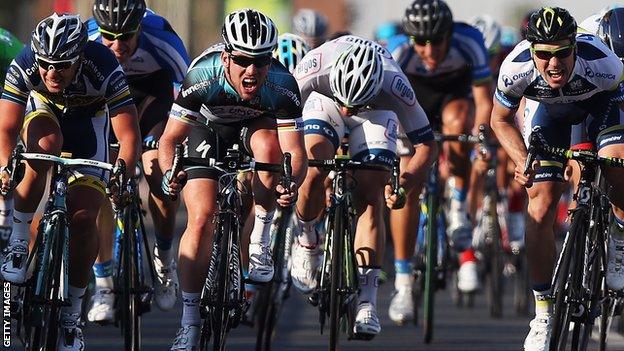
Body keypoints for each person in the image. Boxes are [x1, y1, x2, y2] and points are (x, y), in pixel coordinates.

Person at [157, 9, 307, 349]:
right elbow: (169, 140)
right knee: (201, 219)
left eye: (261, 61)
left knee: (270, 148)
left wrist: (290, 183)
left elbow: (295, 152)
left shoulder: (282, 85)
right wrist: (170, 172)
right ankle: (190, 322)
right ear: (226, 57)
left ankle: (260, 241)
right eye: (241, 60)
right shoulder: (202, 76)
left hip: (256, 128)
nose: (252, 70)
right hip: (208, 128)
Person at [0, 13, 140, 350]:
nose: (51, 73)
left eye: (62, 65)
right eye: (46, 64)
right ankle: (19, 240)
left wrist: (122, 170)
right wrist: (4, 167)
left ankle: (71, 315)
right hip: (44, 113)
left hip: (89, 124)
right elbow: (5, 128)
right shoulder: (26, 62)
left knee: (83, 218)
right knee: (41, 149)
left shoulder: (102, 64)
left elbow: (128, 134)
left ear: (79, 58)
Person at [490, 7, 624, 351]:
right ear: (531, 51)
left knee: (615, 161)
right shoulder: (515, 68)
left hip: (601, 105)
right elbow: (499, 120)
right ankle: (544, 313)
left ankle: (618, 240)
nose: (554, 63)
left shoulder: (603, 63)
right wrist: (521, 161)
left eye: (563, 52)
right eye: (544, 54)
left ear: (575, 47)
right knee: (541, 202)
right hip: (548, 113)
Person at [291, 34, 437, 338]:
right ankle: (306, 241)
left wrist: (404, 185)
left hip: (376, 110)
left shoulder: (394, 84)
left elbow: (425, 146)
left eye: (353, 104)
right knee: (314, 167)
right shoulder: (313, 67)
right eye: (346, 103)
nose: (348, 110)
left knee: (372, 196)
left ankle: (368, 302)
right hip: (323, 100)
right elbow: (281, 119)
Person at [386, 0, 493, 324]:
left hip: (453, 99)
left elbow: (483, 101)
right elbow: (387, 104)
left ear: (450, 34)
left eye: (437, 40)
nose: (429, 50)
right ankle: (403, 284)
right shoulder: (398, 52)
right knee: (406, 182)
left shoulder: (470, 42)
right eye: (421, 42)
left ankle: (458, 207)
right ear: (410, 40)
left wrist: (480, 141)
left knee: (460, 124)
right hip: (411, 101)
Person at [85, 0, 190, 321]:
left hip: (152, 99)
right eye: (108, 36)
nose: (117, 46)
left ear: (140, 28)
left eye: (127, 35)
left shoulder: (164, 39)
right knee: (102, 178)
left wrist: (164, 143)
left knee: (157, 168)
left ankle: (164, 257)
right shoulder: (85, 42)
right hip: (106, 102)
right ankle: (103, 284)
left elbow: (187, 101)